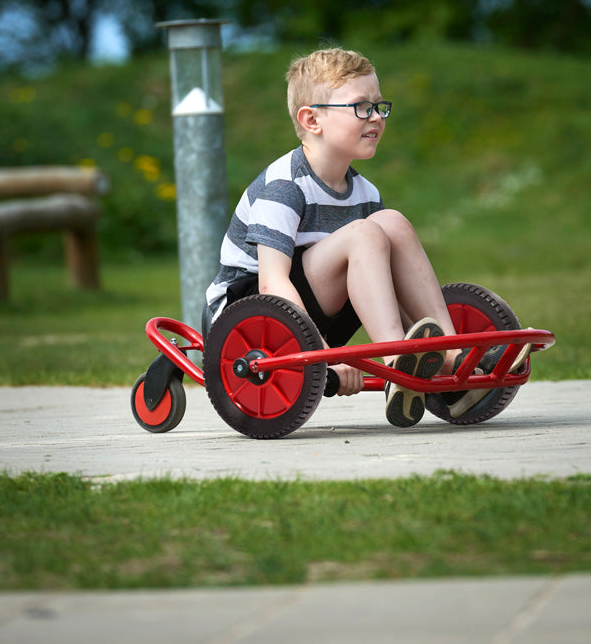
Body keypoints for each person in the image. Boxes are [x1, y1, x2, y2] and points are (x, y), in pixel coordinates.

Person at [205, 47, 487, 427]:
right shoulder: (283, 185)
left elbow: (384, 279)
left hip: (318, 307)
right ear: (312, 120)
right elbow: (273, 281)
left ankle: (450, 352)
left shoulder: (365, 193)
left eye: (378, 106)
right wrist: (324, 356)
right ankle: (397, 361)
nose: (375, 117)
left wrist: (420, 334)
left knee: (392, 223)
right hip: (252, 315)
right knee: (365, 234)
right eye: (360, 107)